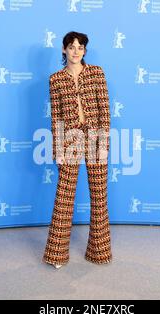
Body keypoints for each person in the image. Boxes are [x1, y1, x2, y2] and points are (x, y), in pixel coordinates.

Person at [42, 31, 112, 269]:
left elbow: (105, 110)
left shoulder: (96, 73)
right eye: (71, 47)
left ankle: (99, 252)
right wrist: (58, 148)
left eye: (80, 47)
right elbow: (57, 117)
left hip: (95, 137)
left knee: (99, 196)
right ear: (64, 50)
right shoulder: (55, 79)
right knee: (64, 197)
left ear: (84, 51)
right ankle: (57, 255)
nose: (75, 51)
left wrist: (104, 145)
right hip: (69, 139)